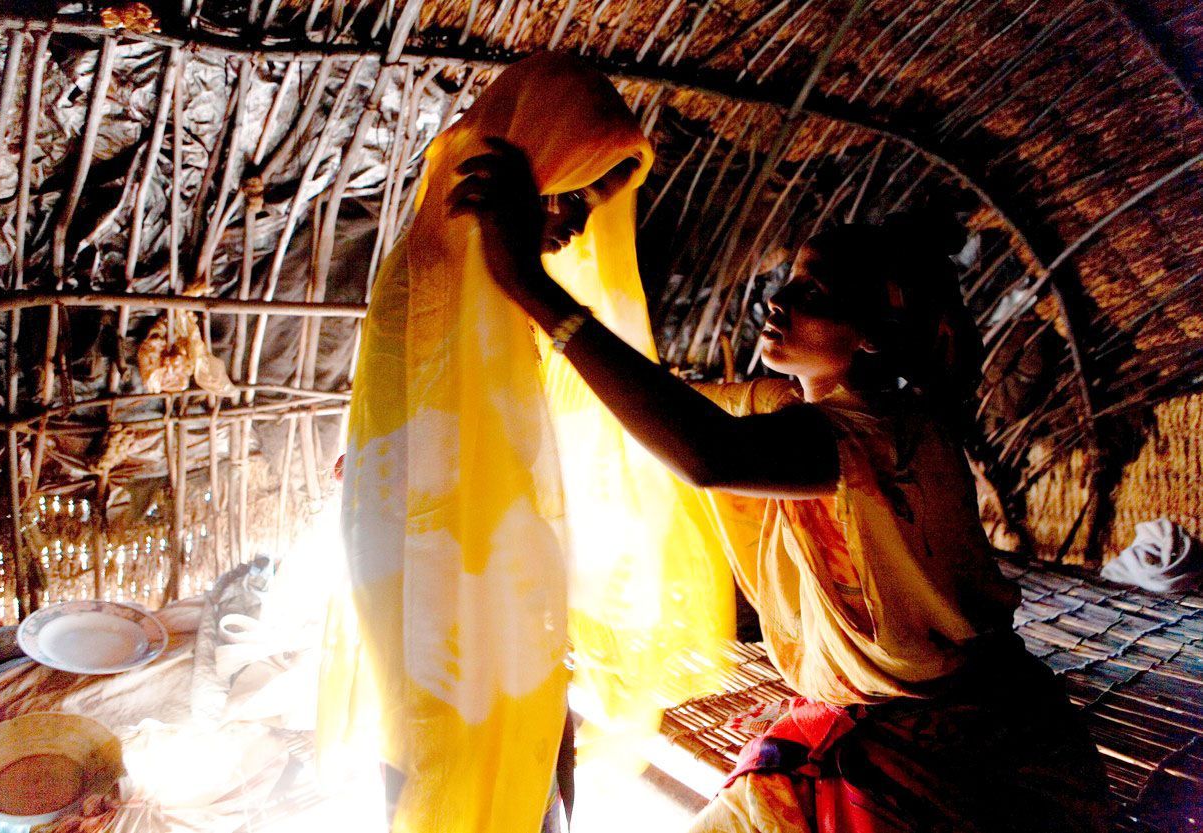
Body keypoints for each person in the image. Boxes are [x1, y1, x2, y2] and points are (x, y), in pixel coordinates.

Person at [451, 140, 1115, 829]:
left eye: (814, 294)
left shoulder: (871, 435)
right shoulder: (791, 410)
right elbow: (646, 412)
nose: (781, 300)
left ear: (870, 337)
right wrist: (457, 436)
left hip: (961, 750)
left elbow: (705, 452)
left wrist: (529, 282)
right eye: (790, 280)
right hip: (895, 717)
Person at [327, 52, 736, 833]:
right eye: (574, 192)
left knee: (524, 766)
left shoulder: (497, 282)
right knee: (454, 764)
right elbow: (418, 466)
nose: (582, 223)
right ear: (521, 168)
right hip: (440, 587)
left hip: (489, 577)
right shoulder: (445, 278)